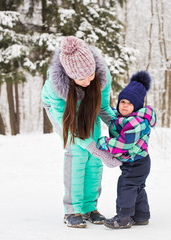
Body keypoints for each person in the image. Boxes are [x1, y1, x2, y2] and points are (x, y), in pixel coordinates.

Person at [41, 36, 122, 228]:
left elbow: (102, 107)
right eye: (80, 78)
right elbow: (69, 126)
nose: (87, 81)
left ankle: (89, 207)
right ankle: (72, 209)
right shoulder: (56, 87)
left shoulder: (102, 76)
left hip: (86, 106)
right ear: (70, 76)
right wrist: (94, 148)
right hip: (62, 112)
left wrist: (120, 130)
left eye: (90, 75)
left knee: (95, 157)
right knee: (78, 152)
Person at [96, 71, 157, 229]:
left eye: (129, 103)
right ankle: (142, 215)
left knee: (126, 186)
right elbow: (115, 117)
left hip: (137, 163)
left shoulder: (136, 123)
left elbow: (124, 144)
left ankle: (124, 217)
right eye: (122, 101)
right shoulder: (126, 118)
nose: (124, 105)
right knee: (137, 187)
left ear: (136, 107)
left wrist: (105, 142)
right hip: (138, 161)